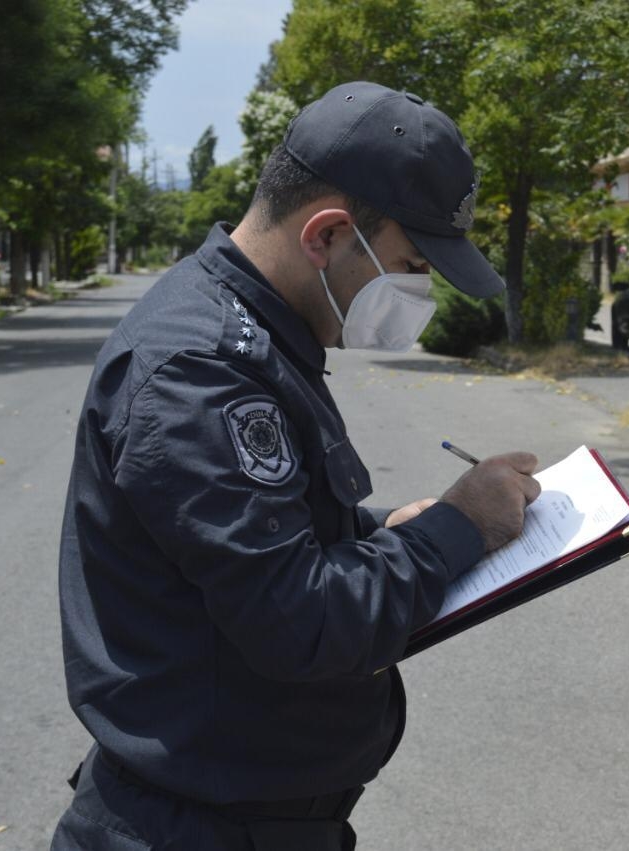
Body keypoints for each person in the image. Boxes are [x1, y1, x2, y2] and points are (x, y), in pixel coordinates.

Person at [51, 81, 541, 851]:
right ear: (328, 235)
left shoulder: (258, 336)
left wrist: (386, 530)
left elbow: (267, 542)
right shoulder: (200, 373)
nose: (418, 294)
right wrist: (458, 526)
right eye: (411, 265)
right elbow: (301, 621)